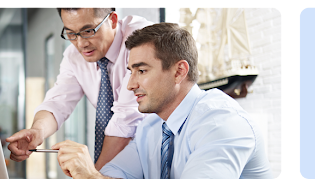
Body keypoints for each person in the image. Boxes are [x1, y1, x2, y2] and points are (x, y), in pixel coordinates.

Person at [53, 23, 273, 179]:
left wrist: (92, 178)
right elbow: (113, 174)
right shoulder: (151, 127)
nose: (130, 85)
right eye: (131, 71)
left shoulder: (221, 124)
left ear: (179, 72)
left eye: (141, 70)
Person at [7, 7, 153, 171]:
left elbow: (126, 120)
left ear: (112, 20)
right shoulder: (74, 56)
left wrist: (93, 175)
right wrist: (37, 131)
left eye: (88, 31)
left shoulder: (140, 40)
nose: (81, 43)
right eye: (71, 33)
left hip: (154, 153)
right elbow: (58, 102)